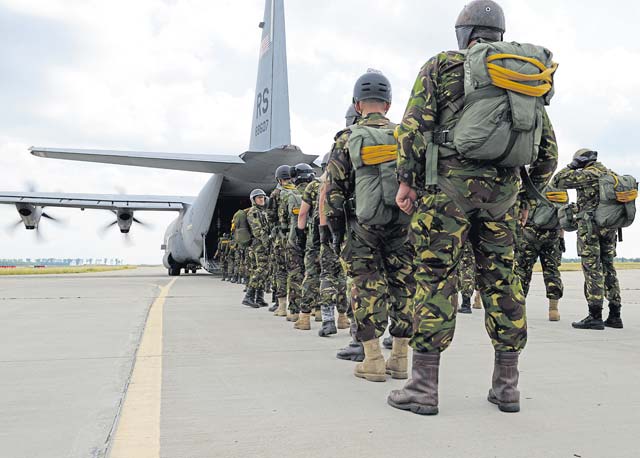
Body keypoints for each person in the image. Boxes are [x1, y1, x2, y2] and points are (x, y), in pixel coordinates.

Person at [389, 0, 558, 414]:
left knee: (434, 280)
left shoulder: (441, 66)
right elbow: (547, 151)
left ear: (463, 34)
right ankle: (507, 388)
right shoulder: (522, 76)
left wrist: (407, 181)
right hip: (502, 200)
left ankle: (423, 389)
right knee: (503, 283)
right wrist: (522, 193)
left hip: (446, 194)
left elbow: (412, 131)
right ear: (500, 36)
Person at [325, 70, 416, 382]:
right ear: (388, 105)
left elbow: (334, 192)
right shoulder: (403, 134)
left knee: (365, 287)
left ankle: (373, 359)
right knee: (403, 286)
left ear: (357, 104)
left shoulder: (347, 138)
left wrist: (336, 233)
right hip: (402, 225)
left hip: (362, 227)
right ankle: (401, 359)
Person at [552, 149, 624, 329]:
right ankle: (615, 315)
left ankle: (595, 315)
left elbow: (558, 180)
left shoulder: (588, 174)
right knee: (609, 268)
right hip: (610, 229)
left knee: (592, 269)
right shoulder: (611, 174)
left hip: (590, 229)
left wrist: (572, 166)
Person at [515, 187, 565, 321]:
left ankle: (519, 309)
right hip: (552, 237)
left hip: (530, 235)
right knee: (552, 272)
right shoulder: (559, 191)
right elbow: (562, 216)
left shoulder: (532, 188)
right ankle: (553, 310)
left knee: (522, 271)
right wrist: (561, 238)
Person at [268, 165, 293, 317]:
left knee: (281, 271)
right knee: (298, 272)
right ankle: (307, 308)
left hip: (281, 239)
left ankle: (282, 306)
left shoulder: (276, 194)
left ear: (278, 179)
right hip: (297, 236)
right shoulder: (297, 191)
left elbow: (270, 216)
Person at [242, 189, 271, 308]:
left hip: (261, 244)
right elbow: (258, 231)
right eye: (259, 198)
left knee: (261, 270)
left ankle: (259, 298)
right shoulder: (253, 212)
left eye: (263, 197)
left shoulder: (262, 211)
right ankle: (248, 297)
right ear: (253, 200)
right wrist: (267, 244)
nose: (262, 199)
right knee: (261, 269)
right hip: (258, 245)